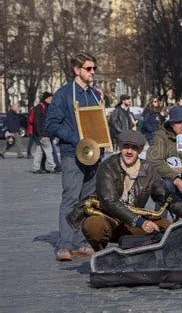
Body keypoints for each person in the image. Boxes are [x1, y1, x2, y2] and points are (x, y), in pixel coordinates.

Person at [77, 130, 182, 252]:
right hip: (108, 219)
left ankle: (143, 253)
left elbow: (164, 195)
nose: (129, 151)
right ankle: (101, 254)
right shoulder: (107, 167)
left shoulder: (148, 169)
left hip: (131, 223)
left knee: (167, 227)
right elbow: (109, 202)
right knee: (93, 226)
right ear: (120, 147)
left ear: (140, 150)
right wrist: (140, 221)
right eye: (126, 146)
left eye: (134, 148)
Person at [45, 52, 102, 261]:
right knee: (70, 198)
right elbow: (51, 124)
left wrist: (102, 144)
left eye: (94, 68)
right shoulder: (64, 94)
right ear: (77, 70)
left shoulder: (95, 94)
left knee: (87, 200)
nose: (92, 72)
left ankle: (81, 242)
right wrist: (76, 138)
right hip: (73, 154)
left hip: (94, 155)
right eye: (89, 68)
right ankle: (65, 245)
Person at [32, 92, 57, 174]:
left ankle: (35, 168)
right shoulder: (40, 107)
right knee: (49, 151)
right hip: (44, 134)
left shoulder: (46, 107)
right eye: (50, 98)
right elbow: (36, 121)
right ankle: (53, 167)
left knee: (39, 152)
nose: (51, 100)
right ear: (46, 99)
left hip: (42, 134)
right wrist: (40, 133)